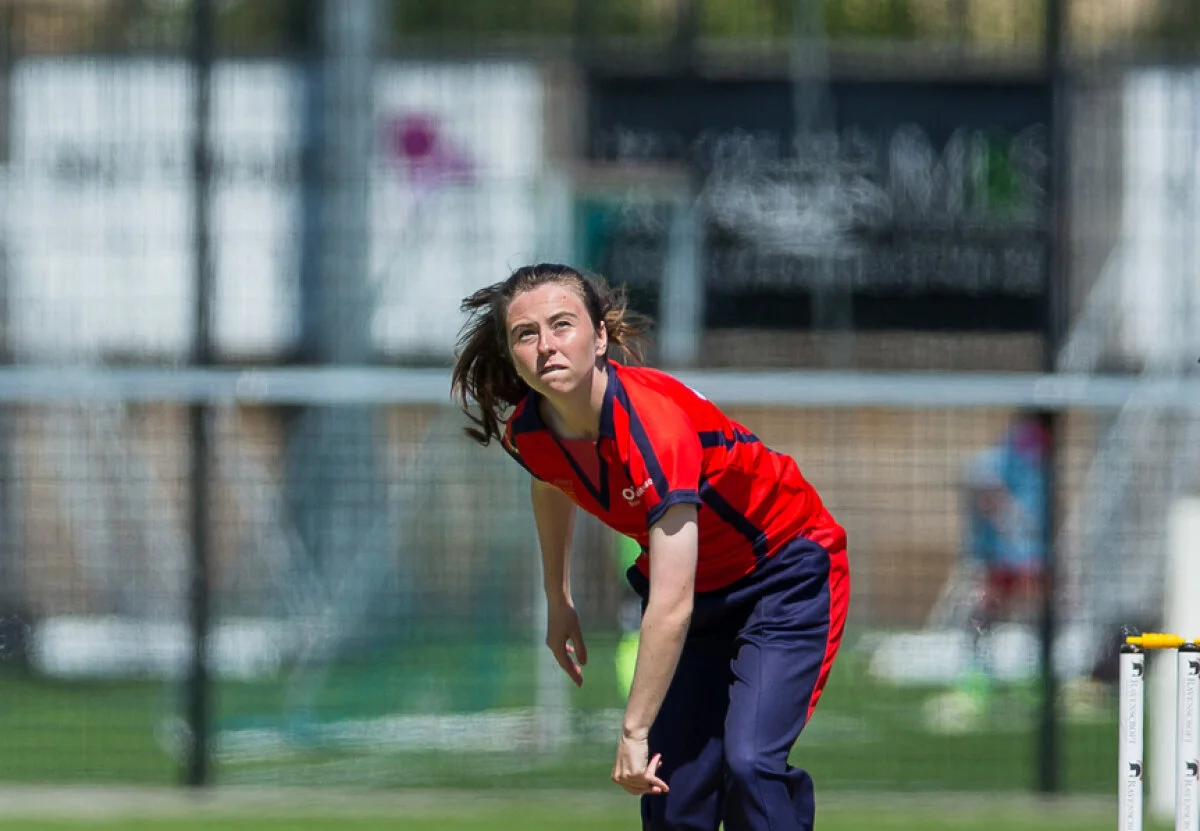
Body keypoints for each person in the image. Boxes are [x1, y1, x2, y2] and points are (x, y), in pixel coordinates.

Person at [451, 263, 849, 831]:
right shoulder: (529, 432)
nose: (545, 346)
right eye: (525, 334)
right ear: (511, 353)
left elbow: (671, 604)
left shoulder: (652, 426)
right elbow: (550, 482)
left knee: (751, 764)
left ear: (601, 337)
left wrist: (633, 730)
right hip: (708, 591)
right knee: (673, 792)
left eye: (562, 325)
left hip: (784, 573)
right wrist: (557, 596)